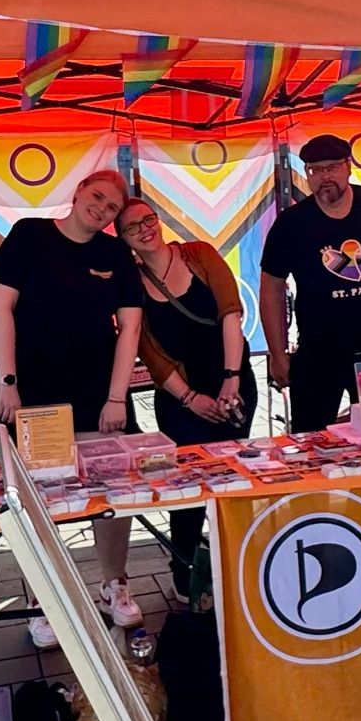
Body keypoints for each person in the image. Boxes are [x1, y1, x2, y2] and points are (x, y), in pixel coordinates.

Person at [0, 167, 144, 626]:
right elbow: (0, 307)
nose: (102, 208)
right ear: (79, 191)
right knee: (31, 494)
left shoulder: (115, 252)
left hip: (94, 391)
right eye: (98, 196)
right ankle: (42, 595)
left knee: (113, 489)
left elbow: (130, 328)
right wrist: (8, 382)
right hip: (27, 390)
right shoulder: (29, 236)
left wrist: (117, 397)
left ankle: (115, 584)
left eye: (111, 207)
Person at [119, 198, 258, 593]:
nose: (146, 229)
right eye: (133, 227)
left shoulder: (199, 254)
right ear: (123, 238)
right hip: (181, 400)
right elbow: (148, 350)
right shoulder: (131, 281)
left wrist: (231, 379)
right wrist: (189, 397)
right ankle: (184, 571)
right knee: (187, 486)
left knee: (230, 476)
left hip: (233, 385)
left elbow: (231, 313)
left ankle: (234, 563)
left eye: (149, 219)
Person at [260, 133, 361, 431]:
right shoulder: (291, 223)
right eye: (316, 170)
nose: (325, 177)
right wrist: (277, 353)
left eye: (333, 167)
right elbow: (271, 287)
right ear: (307, 175)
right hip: (318, 353)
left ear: (348, 167)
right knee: (309, 439)